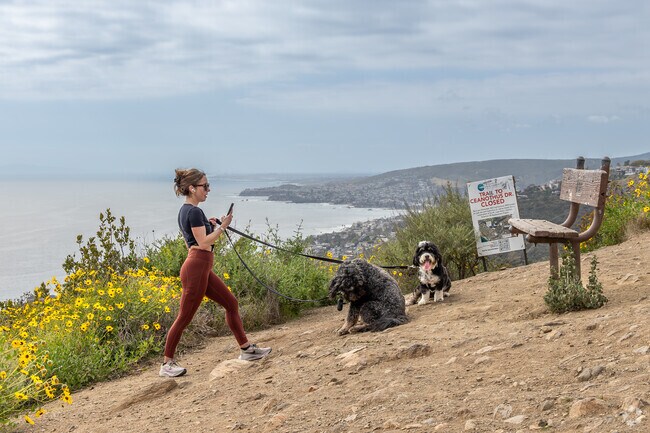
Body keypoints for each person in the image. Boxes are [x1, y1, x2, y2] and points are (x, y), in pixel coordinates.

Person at [160, 168, 271, 377]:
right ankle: (167, 364)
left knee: (231, 303)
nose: (208, 190)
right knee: (184, 316)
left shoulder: (185, 211)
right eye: (205, 186)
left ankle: (247, 350)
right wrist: (222, 228)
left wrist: (210, 226)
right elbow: (202, 243)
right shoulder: (193, 212)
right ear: (192, 188)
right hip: (197, 267)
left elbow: (191, 242)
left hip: (200, 266)